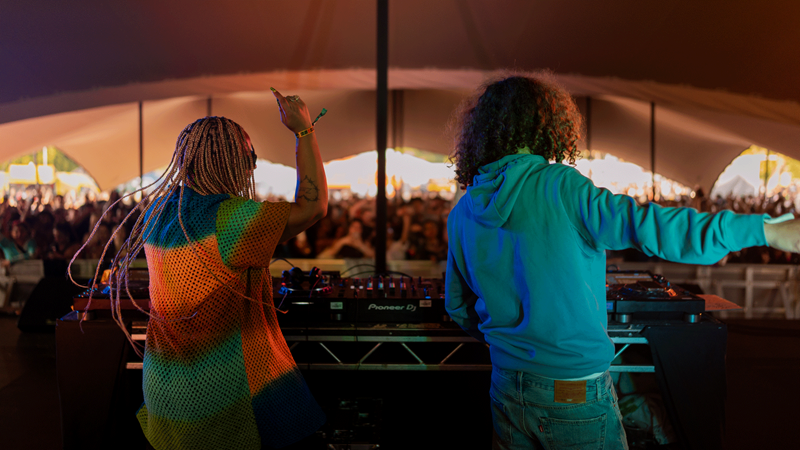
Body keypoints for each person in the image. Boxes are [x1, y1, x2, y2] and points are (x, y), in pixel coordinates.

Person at [444, 74, 800, 450]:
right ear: (543, 125)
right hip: (571, 389)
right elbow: (651, 226)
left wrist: (511, 345)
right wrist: (763, 230)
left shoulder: (463, 211)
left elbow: (458, 307)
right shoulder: (560, 185)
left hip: (506, 386)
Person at [75, 89, 328, 450]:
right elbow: (313, 207)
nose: (253, 167)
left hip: (166, 388)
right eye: (250, 156)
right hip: (220, 394)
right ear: (231, 161)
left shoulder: (161, 212)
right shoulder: (229, 218)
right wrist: (304, 131)